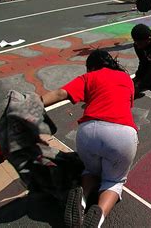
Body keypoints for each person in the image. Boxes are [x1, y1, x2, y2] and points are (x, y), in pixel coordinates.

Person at [41, 50, 138, 228]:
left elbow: (60, 93)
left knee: (90, 171)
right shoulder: (126, 79)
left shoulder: (90, 77)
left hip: (89, 132)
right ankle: (98, 217)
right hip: (122, 133)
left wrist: (34, 103)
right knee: (113, 181)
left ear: (92, 67)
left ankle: (82, 199)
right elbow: (124, 103)